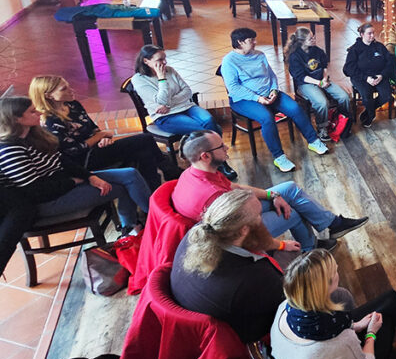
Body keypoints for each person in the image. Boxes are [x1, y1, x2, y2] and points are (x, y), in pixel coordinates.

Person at [171, 130, 367, 252]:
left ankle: (333, 224)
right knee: (294, 212)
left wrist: (273, 195)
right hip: (231, 236)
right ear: (205, 156)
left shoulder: (197, 172)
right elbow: (245, 229)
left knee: (288, 189)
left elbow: (236, 187)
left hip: (236, 213)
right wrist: (281, 245)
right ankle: (309, 249)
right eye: (221, 147)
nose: (227, 148)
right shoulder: (213, 195)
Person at [0, 97, 148, 237]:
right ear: (16, 119)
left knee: (130, 174)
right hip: (48, 200)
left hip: (65, 181)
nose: (39, 112)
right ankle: (134, 226)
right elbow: (36, 191)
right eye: (32, 111)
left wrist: (89, 176)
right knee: (123, 186)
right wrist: (73, 182)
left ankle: (148, 220)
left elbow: (62, 160)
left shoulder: (34, 135)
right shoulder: (11, 150)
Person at [170, 189, 290, 342]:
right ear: (244, 230)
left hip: (201, 318)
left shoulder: (197, 234)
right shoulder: (256, 278)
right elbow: (288, 304)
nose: (262, 219)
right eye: (259, 215)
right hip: (246, 335)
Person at [220, 28, 329, 173]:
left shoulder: (260, 55)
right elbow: (233, 88)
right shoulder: (229, 61)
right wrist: (257, 98)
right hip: (245, 100)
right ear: (239, 42)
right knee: (266, 118)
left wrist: (273, 90)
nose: (255, 42)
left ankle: (313, 141)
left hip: (269, 94)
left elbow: (271, 76)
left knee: (295, 108)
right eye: (251, 40)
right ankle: (279, 157)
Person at [31, 75, 166, 191]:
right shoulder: (50, 121)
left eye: (68, 86)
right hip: (84, 160)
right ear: (49, 96)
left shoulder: (73, 105)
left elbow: (93, 128)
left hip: (98, 148)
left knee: (144, 154)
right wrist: (99, 136)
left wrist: (102, 138)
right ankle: (169, 169)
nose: (71, 90)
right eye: (63, 89)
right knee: (145, 139)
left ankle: (152, 196)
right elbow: (73, 151)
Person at [131, 46, 237, 181]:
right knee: (205, 130)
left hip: (186, 107)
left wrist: (167, 104)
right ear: (146, 61)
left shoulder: (171, 70)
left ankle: (214, 162)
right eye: (160, 60)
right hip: (165, 116)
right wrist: (161, 78)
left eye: (165, 59)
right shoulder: (139, 79)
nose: (164, 63)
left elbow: (187, 91)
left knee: (209, 121)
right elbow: (160, 100)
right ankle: (220, 163)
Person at [284, 27, 351, 141]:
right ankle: (322, 127)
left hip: (322, 80)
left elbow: (324, 66)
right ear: (302, 41)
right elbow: (301, 77)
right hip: (306, 84)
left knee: (344, 96)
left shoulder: (317, 50)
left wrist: (324, 79)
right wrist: (319, 83)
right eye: (311, 38)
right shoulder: (295, 56)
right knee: (321, 102)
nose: (314, 39)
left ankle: (342, 121)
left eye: (313, 37)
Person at [343, 22, 396, 128]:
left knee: (386, 95)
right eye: (369, 34)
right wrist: (366, 78)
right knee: (367, 95)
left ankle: (368, 111)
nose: (372, 36)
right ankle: (370, 115)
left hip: (379, 76)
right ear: (362, 34)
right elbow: (348, 69)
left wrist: (382, 75)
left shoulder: (379, 47)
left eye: (373, 33)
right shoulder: (355, 50)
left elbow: (390, 62)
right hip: (361, 78)